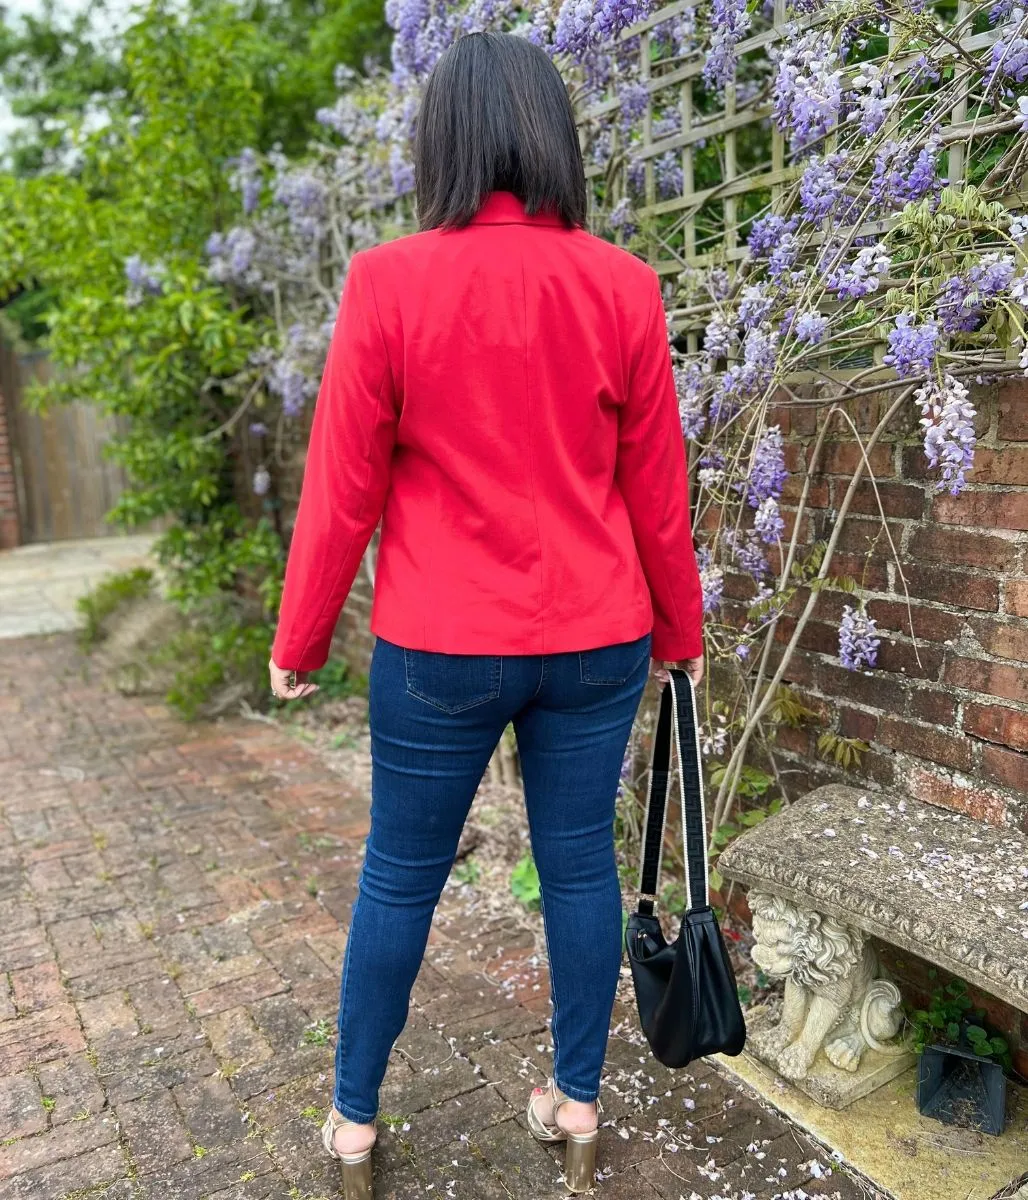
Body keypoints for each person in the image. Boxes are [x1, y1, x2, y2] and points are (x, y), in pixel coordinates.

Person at [268, 29, 704, 1199]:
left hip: (441, 643)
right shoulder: (622, 285)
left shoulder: (388, 282)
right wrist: (681, 635)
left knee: (399, 874)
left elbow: (341, 484)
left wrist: (298, 638)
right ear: (552, 140)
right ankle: (574, 1102)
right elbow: (655, 486)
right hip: (597, 635)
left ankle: (354, 1122)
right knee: (576, 870)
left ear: (441, 143)